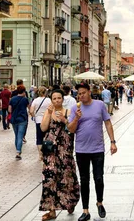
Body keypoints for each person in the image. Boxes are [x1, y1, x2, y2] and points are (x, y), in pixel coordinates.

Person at [68, 82, 117, 221]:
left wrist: (113, 142)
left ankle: (99, 202)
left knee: (98, 178)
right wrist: (77, 117)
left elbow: (107, 122)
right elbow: (71, 129)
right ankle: (85, 210)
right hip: (81, 149)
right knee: (84, 180)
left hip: (97, 148)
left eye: (83, 93)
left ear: (89, 92)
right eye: (79, 94)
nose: (81, 96)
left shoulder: (100, 105)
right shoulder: (74, 108)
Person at [39, 89, 80, 220]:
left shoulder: (68, 112)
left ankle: (69, 202)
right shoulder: (48, 111)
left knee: (66, 177)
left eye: (59, 98)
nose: (57, 100)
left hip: (65, 150)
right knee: (50, 178)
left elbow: (72, 129)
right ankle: (51, 210)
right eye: (54, 98)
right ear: (51, 100)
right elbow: (43, 128)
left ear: (63, 99)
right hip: (51, 151)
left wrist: (65, 120)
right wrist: (49, 113)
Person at [29, 86, 51, 159]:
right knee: (47, 136)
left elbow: (31, 111)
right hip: (47, 120)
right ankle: (47, 153)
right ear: (45, 92)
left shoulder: (35, 100)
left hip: (38, 120)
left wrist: (34, 116)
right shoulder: (48, 100)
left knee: (39, 137)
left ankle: (40, 154)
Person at [8, 86, 29, 159]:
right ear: (23, 92)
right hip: (22, 119)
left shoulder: (12, 99)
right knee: (20, 135)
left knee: (16, 135)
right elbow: (29, 107)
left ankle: (17, 150)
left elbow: (9, 110)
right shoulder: (25, 99)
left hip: (14, 119)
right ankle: (18, 152)